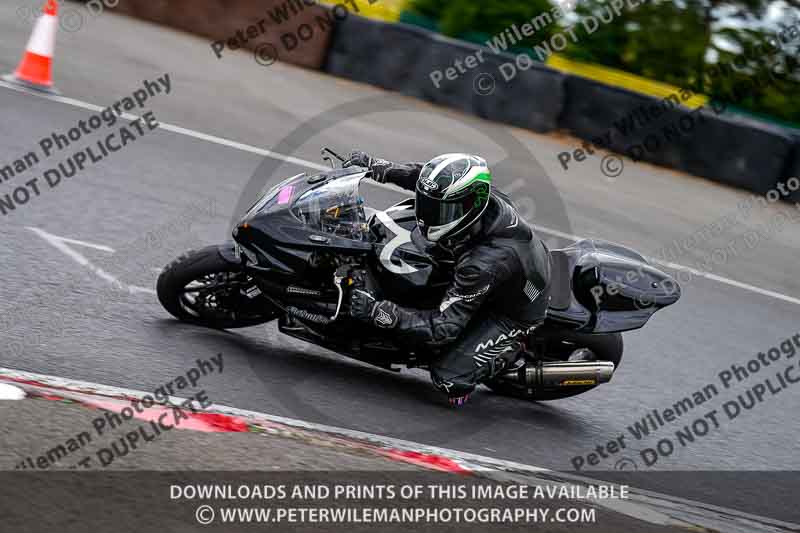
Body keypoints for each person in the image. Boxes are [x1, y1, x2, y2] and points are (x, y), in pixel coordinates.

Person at [346, 151, 552, 407]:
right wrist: (380, 168)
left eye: (441, 211)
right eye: (431, 206)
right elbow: (421, 178)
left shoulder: (482, 263)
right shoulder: (475, 196)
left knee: (449, 380)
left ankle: (508, 352)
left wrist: (380, 313)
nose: (429, 214)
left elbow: (443, 328)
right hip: (501, 269)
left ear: (469, 208)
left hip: (512, 310)